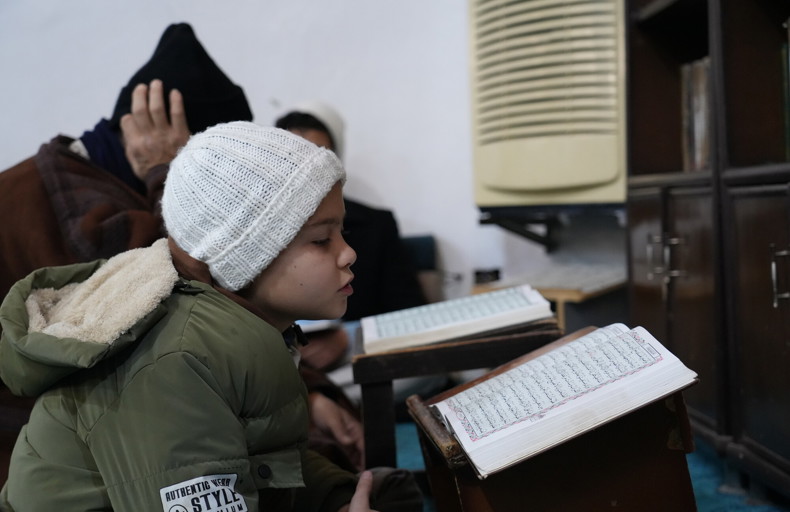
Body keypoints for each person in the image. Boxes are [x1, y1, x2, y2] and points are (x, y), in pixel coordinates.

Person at [0, 122, 421, 511]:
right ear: (243, 255)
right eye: (321, 239)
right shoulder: (178, 359)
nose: (349, 253)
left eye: (342, 232)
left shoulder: (235, 333)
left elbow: (260, 462)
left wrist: (338, 497)